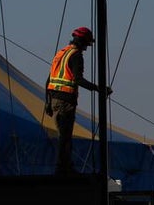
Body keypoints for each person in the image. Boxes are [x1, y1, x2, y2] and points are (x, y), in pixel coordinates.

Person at [44, 26, 113, 176]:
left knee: (63, 136)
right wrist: (99, 89)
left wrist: (48, 102)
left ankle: (64, 168)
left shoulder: (61, 53)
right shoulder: (76, 56)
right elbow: (78, 80)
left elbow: (49, 80)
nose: (87, 48)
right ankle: (63, 169)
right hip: (65, 102)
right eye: (87, 44)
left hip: (55, 100)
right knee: (65, 136)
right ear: (82, 42)